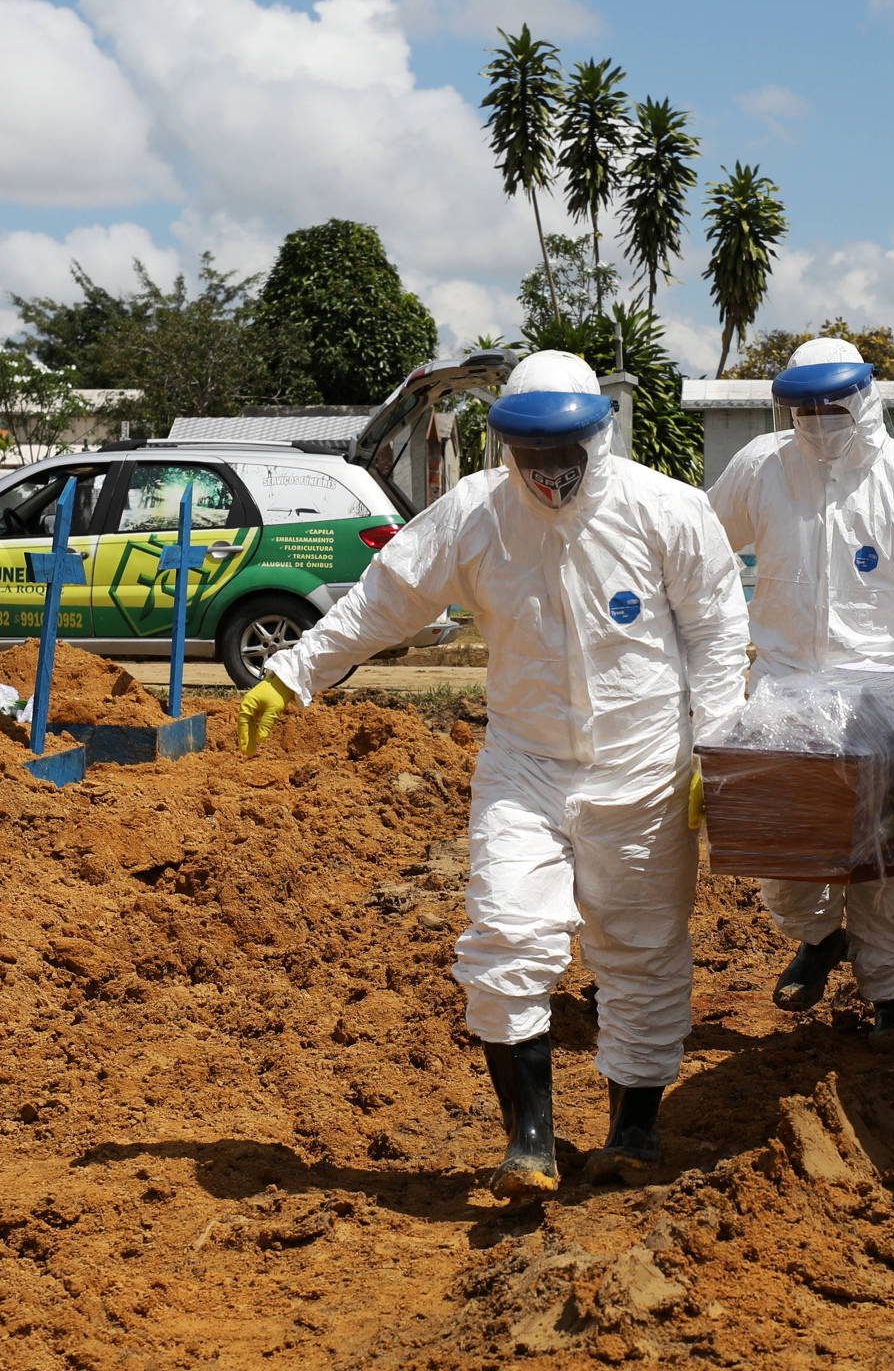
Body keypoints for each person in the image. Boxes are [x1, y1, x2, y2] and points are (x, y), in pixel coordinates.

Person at [238, 350, 749, 1198]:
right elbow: (382, 601)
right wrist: (294, 673)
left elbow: (719, 633)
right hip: (526, 765)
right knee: (506, 936)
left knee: (643, 954)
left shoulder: (669, 510)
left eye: (564, 453)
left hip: (646, 766)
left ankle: (636, 1131)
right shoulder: (474, 513)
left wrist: (717, 747)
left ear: (599, 433)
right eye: (530, 455)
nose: (549, 472)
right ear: (505, 445)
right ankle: (531, 1143)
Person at [706, 338, 894, 1046]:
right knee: (777, 847)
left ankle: (893, 995)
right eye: (803, 409)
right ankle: (817, 937)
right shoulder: (762, 466)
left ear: (864, 398)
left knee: (880, 864)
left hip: (881, 695)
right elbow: (703, 542)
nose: (816, 421)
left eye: (830, 406)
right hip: (782, 689)